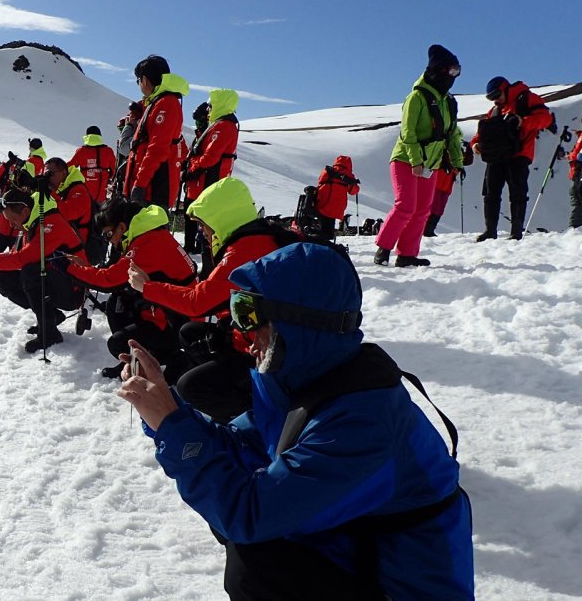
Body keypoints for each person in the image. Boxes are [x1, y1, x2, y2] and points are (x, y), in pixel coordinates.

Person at [117, 242, 474, 600]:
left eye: (252, 316)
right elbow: (241, 447)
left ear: (300, 324)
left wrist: (172, 425)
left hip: (400, 586)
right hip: (358, 548)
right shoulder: (302, 380)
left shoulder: (363, 423)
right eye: (240, 312)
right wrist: (170, 414)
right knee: (245, 528)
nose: (244, 335)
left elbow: (249, 513)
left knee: (255, 560)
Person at [128, 177, 296, 423]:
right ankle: (237, 393)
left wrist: (147, 287)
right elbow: (209, 294)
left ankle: (251, 418)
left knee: (190, 387)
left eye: (204, 226)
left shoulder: (244, 251)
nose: (204, 234)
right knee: (191, 332)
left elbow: (198, 303)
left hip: (274, 357)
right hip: (273, 341)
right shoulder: (262, 237)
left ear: (221, 219)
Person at [63, 199, 196, 379]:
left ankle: (173, 357)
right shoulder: (149, 234)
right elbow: (114, 274)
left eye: (108, 235)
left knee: (117, 344)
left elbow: (108, 280)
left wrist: (69, 269)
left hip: (177, 324)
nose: (109, 241)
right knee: (118, 301)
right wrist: (83, 267)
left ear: (122, 227)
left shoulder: (146, 244)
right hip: (171, 312)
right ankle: (135, 359)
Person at [0, 188, 88, 353]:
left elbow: (23, 259)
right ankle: (51, 317)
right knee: (2, 279)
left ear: (26, 211)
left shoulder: (51, 223)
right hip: (56, 282)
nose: (11, 225)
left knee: (31, 271)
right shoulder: (31, 225)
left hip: (74, 290)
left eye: (13, 219)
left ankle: (49, 333)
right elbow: (15, 256)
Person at [374, 44, 464, 267]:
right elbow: (407, 132)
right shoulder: (416, 97)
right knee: (405, 206)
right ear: (439, 71)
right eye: (451, 71)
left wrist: (457, 162)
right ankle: (383, 249)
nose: (454, 77)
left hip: (430, 164)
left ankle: (407, 255)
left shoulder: (449, 102)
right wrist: (415, 160)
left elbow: (452, 134)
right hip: (406, 159)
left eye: (457, 71)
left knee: (423, 211)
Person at [470, 76, 555, 241]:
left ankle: (516, 232)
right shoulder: (495, 110)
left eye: (496, 95)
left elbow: (546, 119)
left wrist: (523, 121)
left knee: (518, 193)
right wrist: (475, 144)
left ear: (505, 88)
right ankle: (490, 231)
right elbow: (484, 132)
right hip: (496, 156)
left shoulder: (527, 99)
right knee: (490, 193)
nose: (495, 100)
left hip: (520, 154)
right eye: (491, 97)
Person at [121, 55, 189, 210]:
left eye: (138, 80)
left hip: (153, 189)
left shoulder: (166, 103)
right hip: (149, 187)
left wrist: (140, 184)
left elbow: (157, 149)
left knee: (150, 233)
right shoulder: (158, 103)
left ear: (144, 80)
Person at [184, 89, 240, 255]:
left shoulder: (224, 126)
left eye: (210, 105)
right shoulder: (221, 125)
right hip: (203, 181)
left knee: (206, 226)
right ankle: (201, 255)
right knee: (199, 221)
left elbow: (210, 157)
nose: (208, 109)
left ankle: (208, 264)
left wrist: (191, 171)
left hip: (208, 181)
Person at [45, 157, 103, 263]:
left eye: (50, 174)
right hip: (64, 246)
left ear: (63, 173)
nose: (48, 178)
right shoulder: (61, 189)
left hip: (79, 251)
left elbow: (67, 213)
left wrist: (49, 192)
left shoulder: (79, 190)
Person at [424, 147, 471, 237]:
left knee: (439, 209)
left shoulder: (453, 151)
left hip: (446, 185)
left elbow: (466, 161)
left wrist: (468, 151)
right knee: (435, 207)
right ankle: (427, 230)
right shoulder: (443, 152)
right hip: (439, 183)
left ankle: (430, 229)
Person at [314, 155, 361, 241]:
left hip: (322, 202)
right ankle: (323, 245)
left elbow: (320, 180)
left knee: (323, 227)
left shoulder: (328, 171)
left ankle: (319, 241)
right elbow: (353, 191)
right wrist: (354, 183)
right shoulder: (349, 176)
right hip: (335, 208)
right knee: (328, 231)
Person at [66, 126, 117, 204]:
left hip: (85, 196)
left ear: (87, 137)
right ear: (99, 137)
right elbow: (114, 170)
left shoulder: (81, 151)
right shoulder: (108, 151)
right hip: (101, 195)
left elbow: (70, 166)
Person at [569, 133, 582, 229]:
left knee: (578, 195)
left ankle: (575, 228)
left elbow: (578, 155)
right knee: (576, 195)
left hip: (578, 169)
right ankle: (575, 228)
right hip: (576, 170)